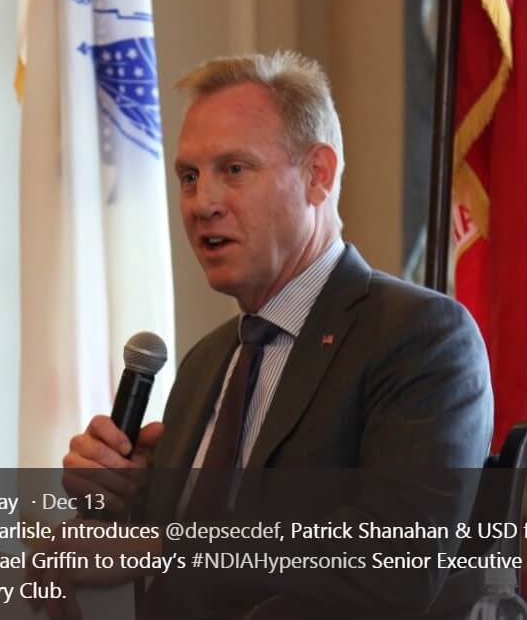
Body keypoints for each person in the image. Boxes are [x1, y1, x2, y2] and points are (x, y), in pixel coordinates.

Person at [58, 51, 493, 619]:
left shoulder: (420, 338)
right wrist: (126, 501)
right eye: (189, 177)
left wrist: (159, 546)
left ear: (318, 175)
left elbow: (394, 558)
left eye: (234, 169)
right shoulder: (205, 363)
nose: (202, 204)